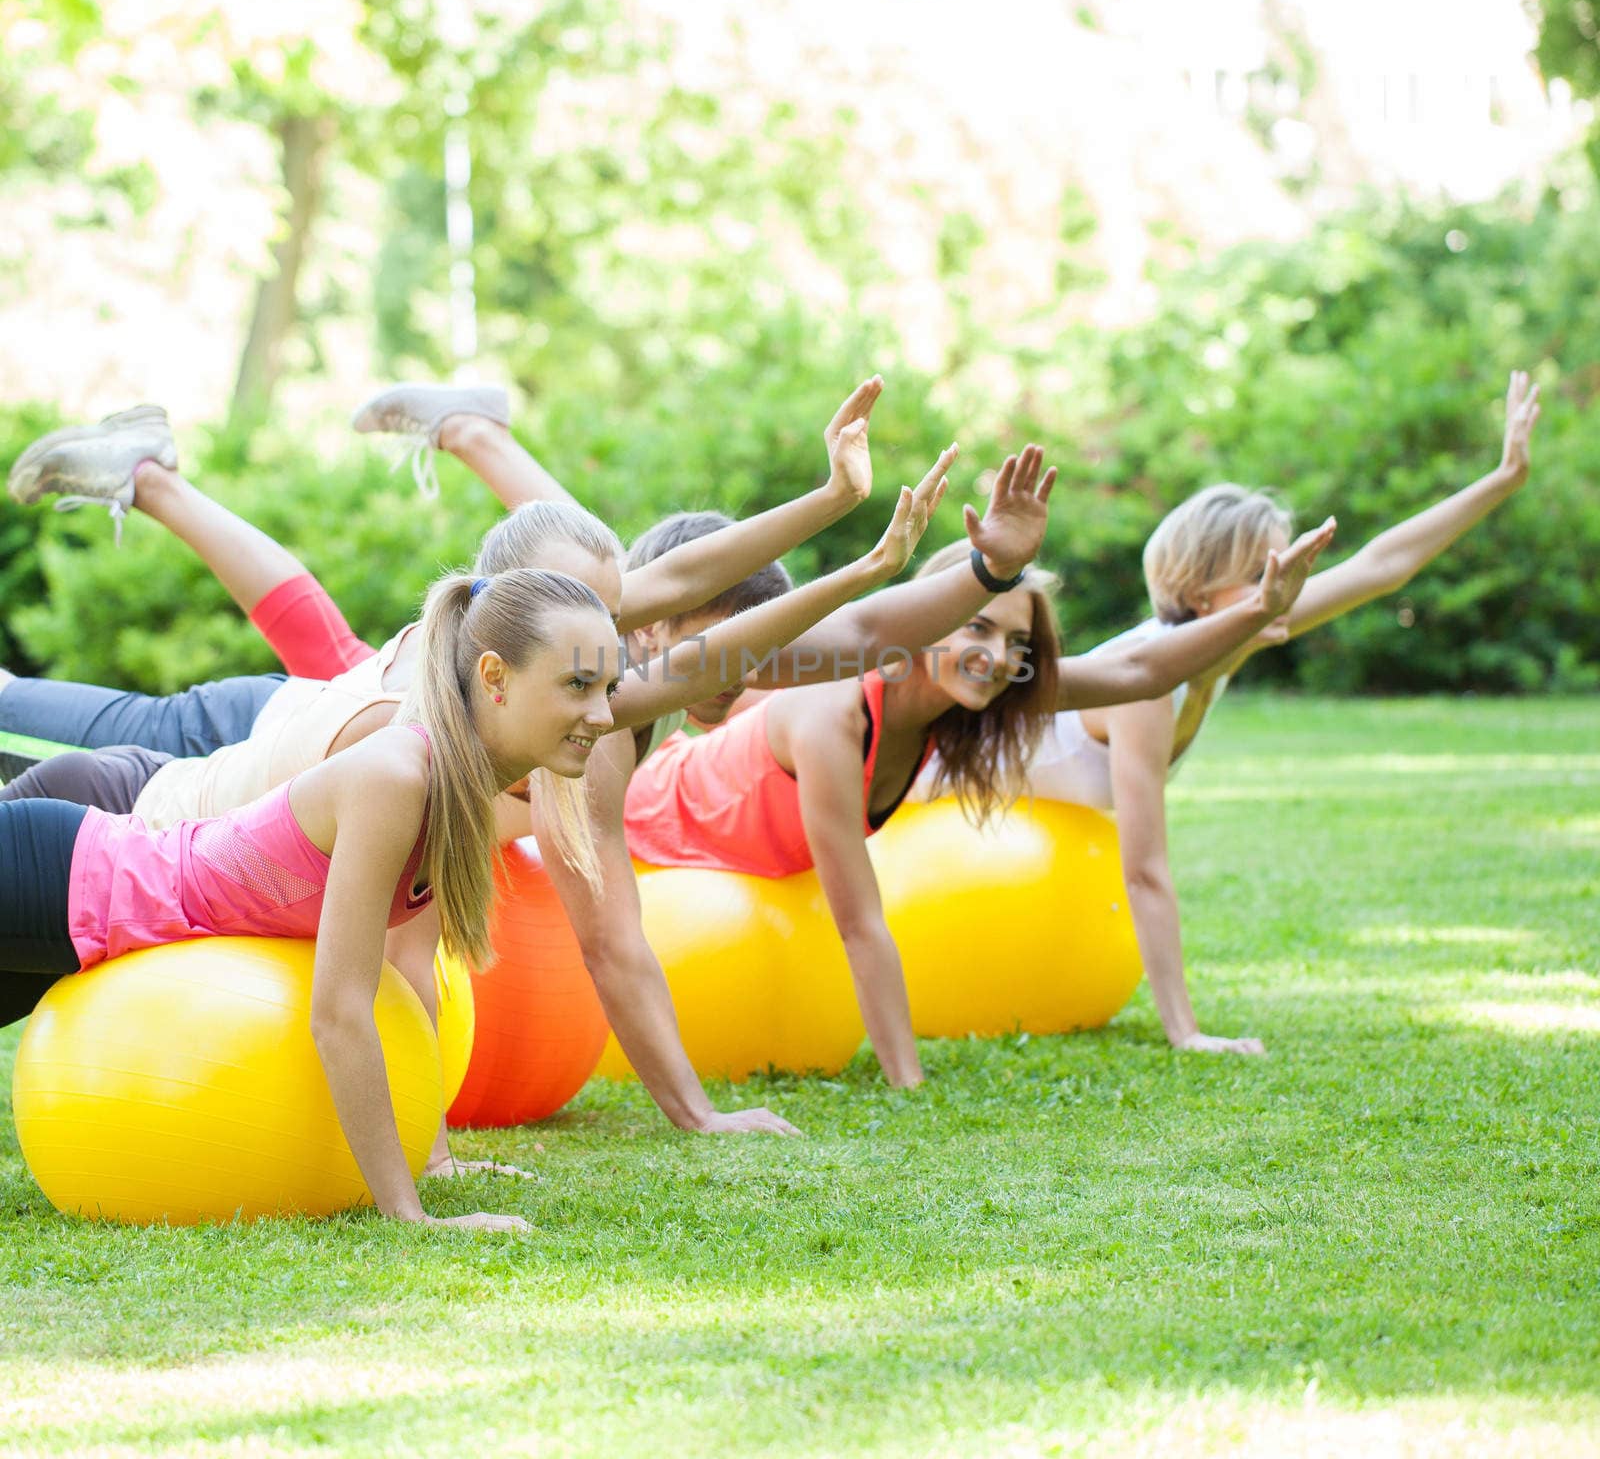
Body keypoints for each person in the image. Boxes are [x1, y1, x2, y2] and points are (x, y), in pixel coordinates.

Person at [623, 479, 1337, 1086]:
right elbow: (860, 923)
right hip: (659, 817)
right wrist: (909, 1082)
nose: (998, 657)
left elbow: (1138, 673)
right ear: (925, 624)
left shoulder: (976, 694)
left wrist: (1259, 612)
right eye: (976, 629)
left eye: (1017, 642)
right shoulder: (834, 715)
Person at [0, 567, 620, 1229]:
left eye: (609, 688)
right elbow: (340, 1010)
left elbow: (408, 983)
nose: (605, 714)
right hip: (70, 880)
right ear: (494, 678)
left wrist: (433, 1156)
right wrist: (412, 1218)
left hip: (91, 912)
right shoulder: (396, 778)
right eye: (578, 685)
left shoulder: (459, 798)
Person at [970, 372, 1540, 1056]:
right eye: (1268, 570)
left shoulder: (1233, 634)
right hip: (932, 796)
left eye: (1288, 567)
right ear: (1201, 593)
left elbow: (1381, 565)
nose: (1286, 585)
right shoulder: (1148, 681)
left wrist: (1504, 478)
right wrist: (1186, 1034)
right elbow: (1143, 866)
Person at [0, 379, 894, 755]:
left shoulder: (599, 663)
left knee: (340, 648)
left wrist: (849, 520)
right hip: (242, 731)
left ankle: (151, 480)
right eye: (729, 637)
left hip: (308, 717)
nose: (744, 670)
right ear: (667, 617)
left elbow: (840, 641)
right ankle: (473, 431)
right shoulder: (589, 642)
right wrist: (833, 506)